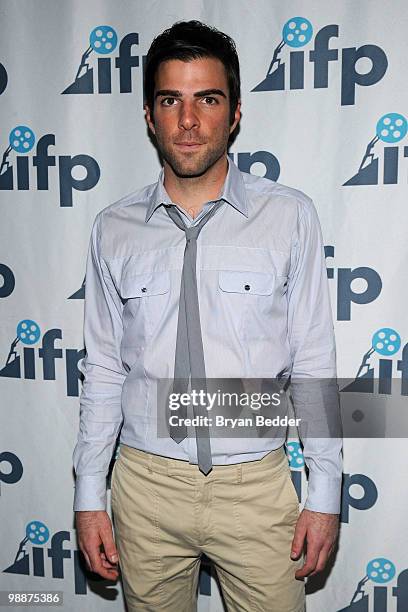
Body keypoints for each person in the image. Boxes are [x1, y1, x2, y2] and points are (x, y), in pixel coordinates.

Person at [73, 20, 343, 612]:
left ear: (236, 112)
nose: (189, 121)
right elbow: (104, 371)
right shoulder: (113, 228)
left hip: (256, 488)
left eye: (207, 99)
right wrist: (90, 493)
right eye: (171, 100)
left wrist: (325, 493)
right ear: (150, 115)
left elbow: (313, 366)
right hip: (144, 487)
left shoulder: (289, 217)